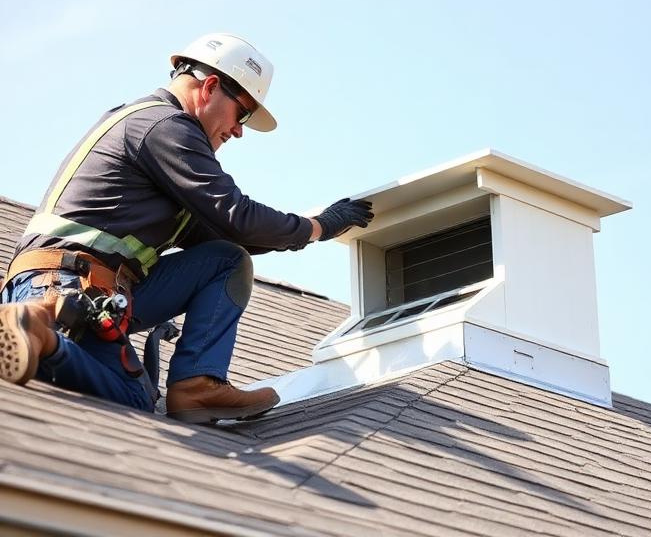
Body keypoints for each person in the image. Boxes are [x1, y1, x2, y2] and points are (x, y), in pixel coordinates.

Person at [0, 33, 373, 424]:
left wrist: (302, 232)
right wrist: (316, 227)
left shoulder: (158, 139)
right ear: (211, 86)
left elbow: (230, 234)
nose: (239, 130)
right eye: (242, 113)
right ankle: (38, 334)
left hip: (81, 282)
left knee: (226, 260)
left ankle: (195, 386)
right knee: (132, 395)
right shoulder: (165, 126)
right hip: (67, 283)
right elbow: (236, 214)